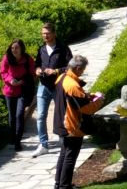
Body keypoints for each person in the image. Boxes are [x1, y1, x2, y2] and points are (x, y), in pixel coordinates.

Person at [53, 55, 103, 189]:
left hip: (61, 122)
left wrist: (87, 96)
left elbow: (73, 99)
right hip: (72, 126)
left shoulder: (61, 78)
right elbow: (85, 108)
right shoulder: (73, 85)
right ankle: (65, 186)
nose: (82, 72)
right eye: (83, 70)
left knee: (64, 154)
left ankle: (59, 184)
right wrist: (98, 102)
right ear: (78, 67)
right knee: (70, 157)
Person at [33, 23, 73, 158]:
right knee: (40, 116)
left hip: (58, 86)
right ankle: (43, 144)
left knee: (61, 114)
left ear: (54, 33)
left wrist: (56, 71)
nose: (45, 35)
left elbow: (70, 67)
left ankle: (63, 140)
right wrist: (37, 70)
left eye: (48, 33)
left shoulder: (63, 48)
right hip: (43, 86)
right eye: (43, 33)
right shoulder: (41, 49)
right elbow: (37, 64)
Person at [0, 39, 36, 151]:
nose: (14, 50)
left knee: (19, 115)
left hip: (23, 91)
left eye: (17, 48)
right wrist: (10, 80)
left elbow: (32, 74)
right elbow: (3, 72)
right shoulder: (7, 58)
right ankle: (13, 137)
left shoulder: (27, 59)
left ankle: (17, 141)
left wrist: (22, 82)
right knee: (12, 117)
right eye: (12, 48)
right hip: (10, 91)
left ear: (21, 49)